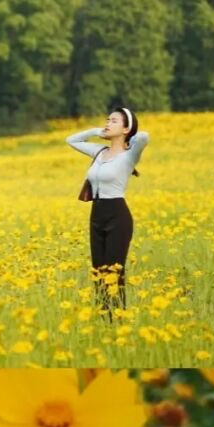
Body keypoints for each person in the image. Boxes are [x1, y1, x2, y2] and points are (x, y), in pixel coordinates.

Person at [66, 103, 149, 320]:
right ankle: (104, 319)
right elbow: (71, 140)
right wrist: (96, 132)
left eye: (113, 121)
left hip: (118, 217)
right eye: (107, 119)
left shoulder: (129, 156)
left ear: (126, 129)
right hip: (97, 215)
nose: (107, 123)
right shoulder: (99, 152)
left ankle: (118, 319)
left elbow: (144, 136)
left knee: (114, 273)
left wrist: (128, 136)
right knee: (98, 272)